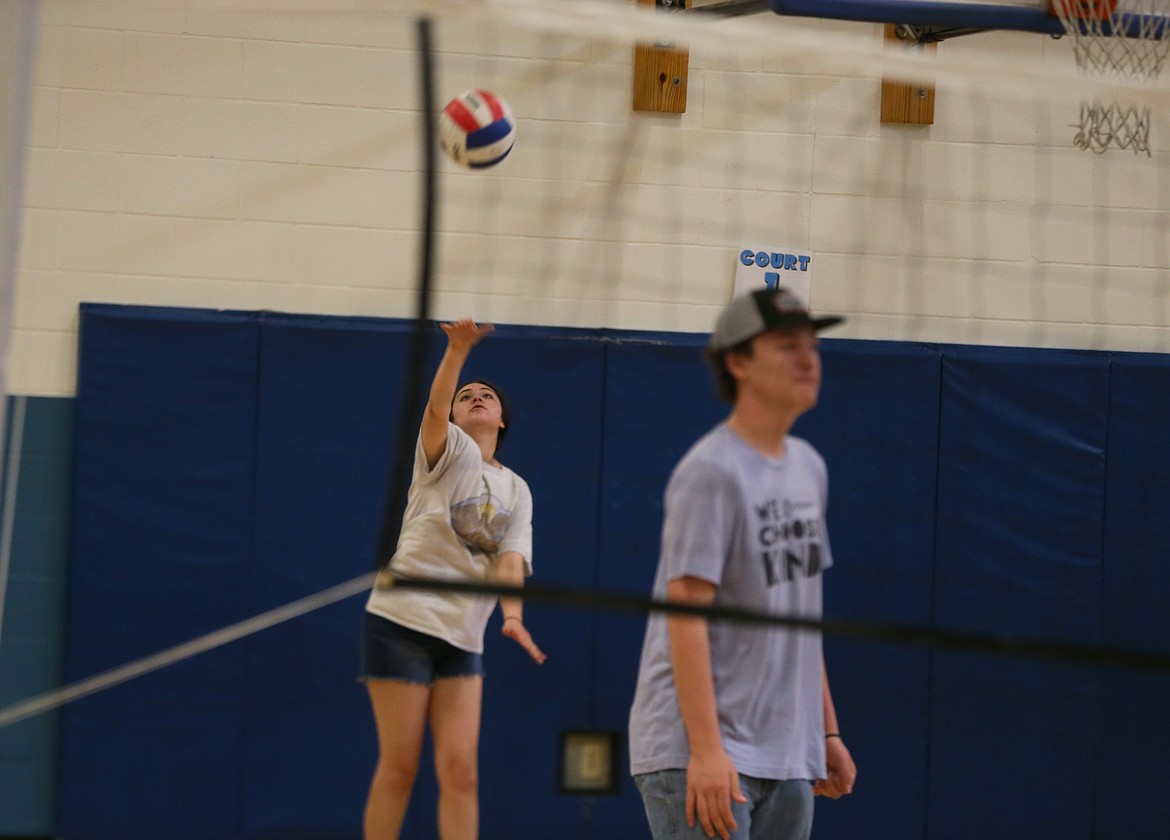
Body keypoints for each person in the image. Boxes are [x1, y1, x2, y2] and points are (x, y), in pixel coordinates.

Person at [628, 287, 857, 840]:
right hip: (699, 750)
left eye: (812, 346)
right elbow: (685, 614)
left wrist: (825, 732)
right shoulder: (711, 471)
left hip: (788, 751)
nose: (808, 359)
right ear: (738, 363)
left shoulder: (809, 467)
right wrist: (707, 751)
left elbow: (799, 613)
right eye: (786, 346)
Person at [361, 319, 546, 840]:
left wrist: (513, 618)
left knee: (461, 772)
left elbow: (511, 559)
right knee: (401, 768)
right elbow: (437, 406)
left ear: (503, 419)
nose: (477, 398)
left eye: (488, 395)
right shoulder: (449, 454)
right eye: (468, 395)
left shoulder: (518, 490)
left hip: (462, 636)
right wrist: (458, 351)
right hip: (400, 623)